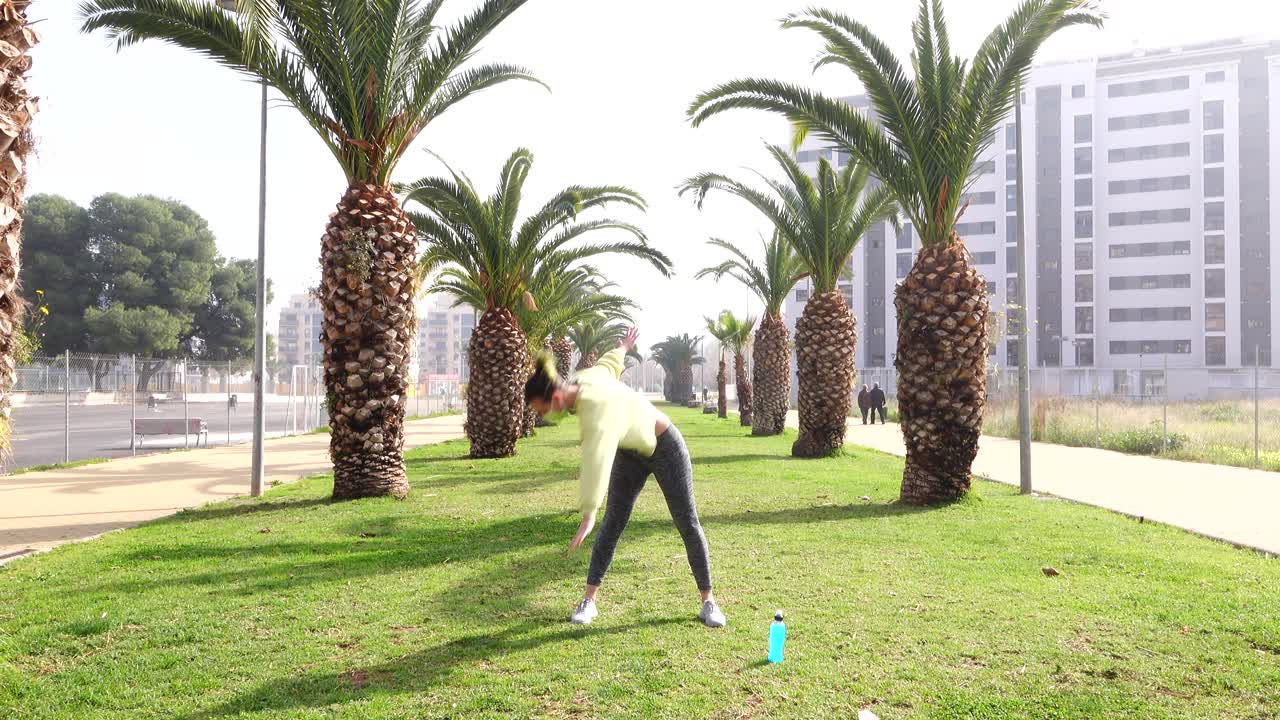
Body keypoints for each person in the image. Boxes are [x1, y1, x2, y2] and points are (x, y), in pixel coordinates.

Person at [525, 327, 725, 628]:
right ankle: (589, 602)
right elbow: (609, 364)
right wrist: (623, 346)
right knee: (614, 523)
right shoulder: (583, 378)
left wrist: (588, 513)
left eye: (543, 410)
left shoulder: (595, 411)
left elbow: (597, 458)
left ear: (554, 397)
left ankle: (709, 602)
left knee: (687, 521)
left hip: (664, 444)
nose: (546, 416)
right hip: (630, 452)